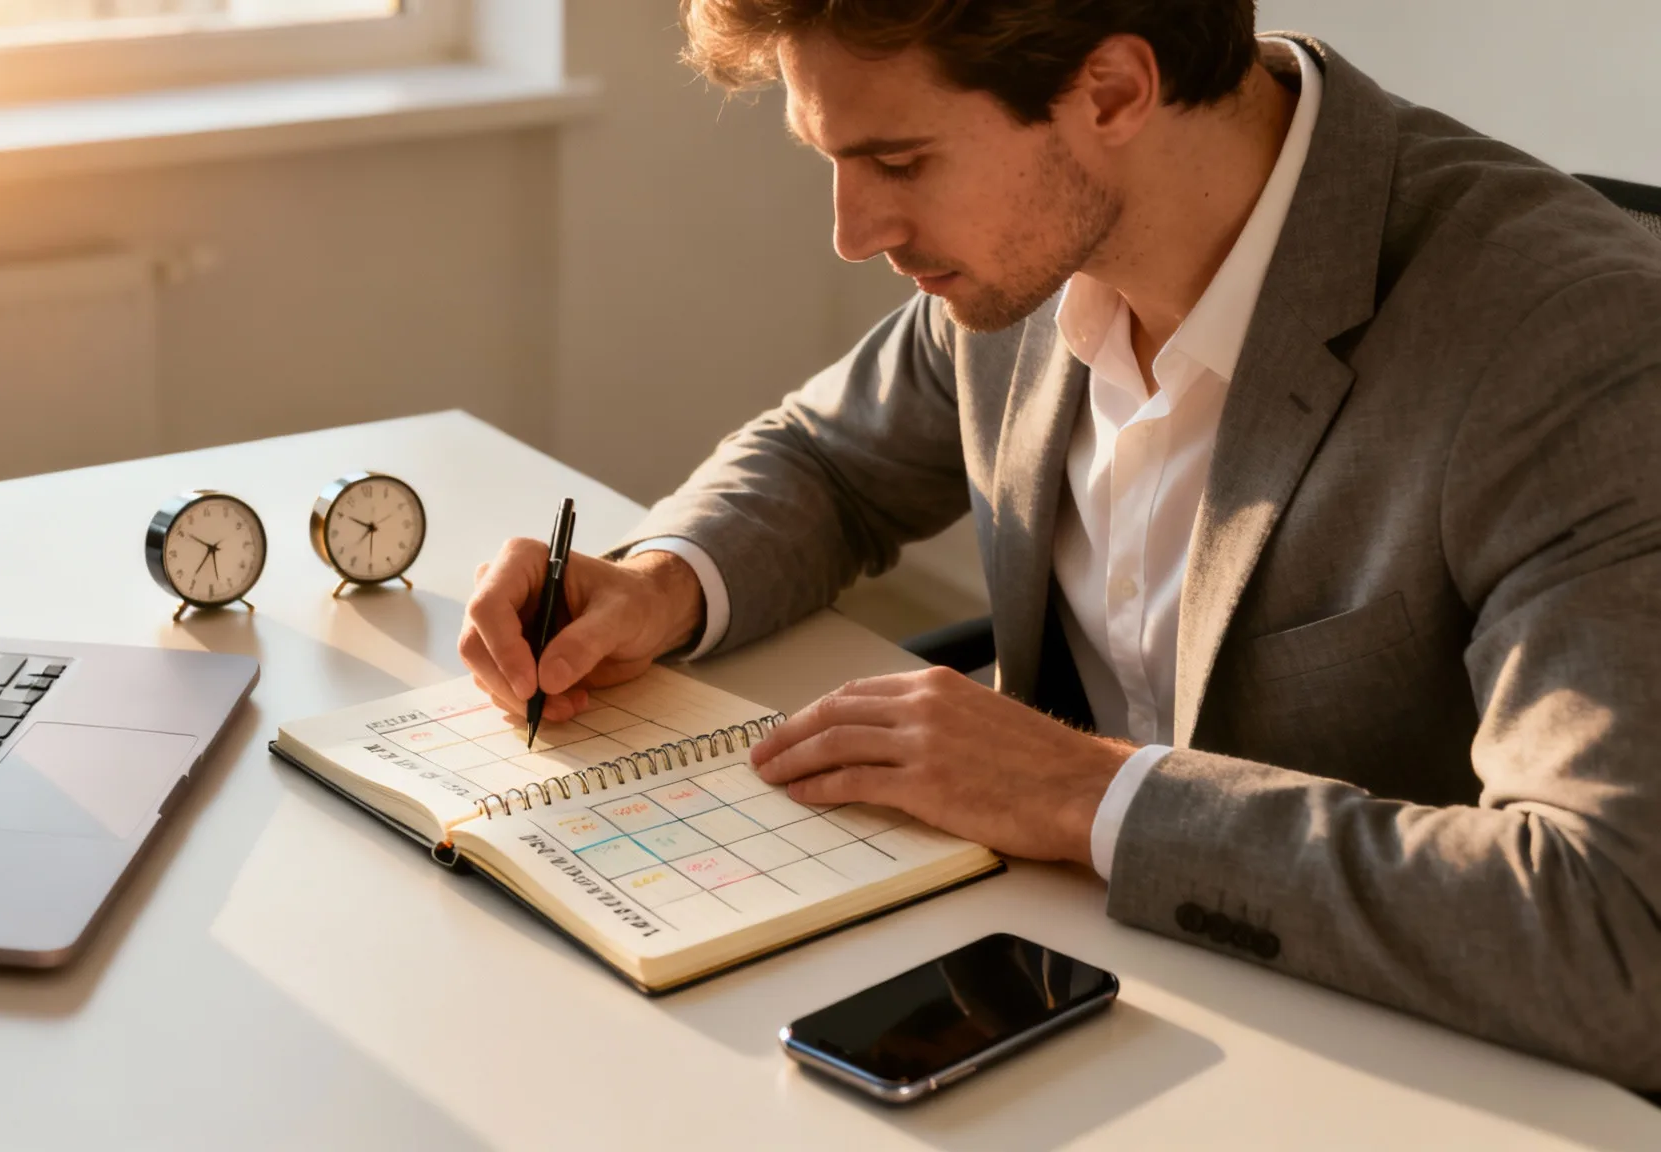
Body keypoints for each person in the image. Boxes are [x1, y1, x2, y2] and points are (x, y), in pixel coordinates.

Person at [458, 0, 1661, 1091]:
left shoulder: (1567, 346)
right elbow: (825, 460)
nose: (852, 229)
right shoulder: (1023, 261)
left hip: (1390, 1075)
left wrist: (1083, 791)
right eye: (833, 161)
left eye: (895, 160)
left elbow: (1613, 934)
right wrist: (663, 581)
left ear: (1112, 92)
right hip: (1057, 1008)